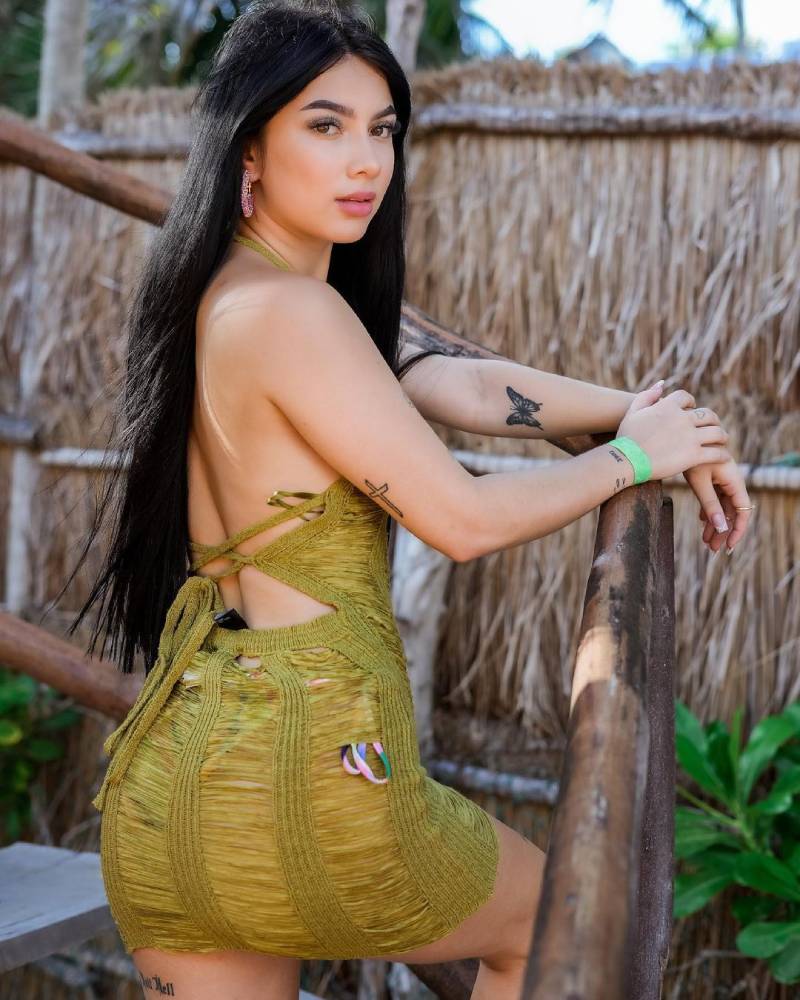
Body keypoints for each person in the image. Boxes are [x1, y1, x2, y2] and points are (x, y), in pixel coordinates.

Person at [70, 2, 754, 997]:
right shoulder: (296, 312)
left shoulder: (227, 291)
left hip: (175, 796)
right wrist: (635, 460)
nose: (365, 161)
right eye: (325, 125)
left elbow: (459, 383)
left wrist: (633, 409)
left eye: (382, 130)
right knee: (552, 928)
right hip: (318, 776)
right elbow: (461, 520)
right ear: (248, 147)